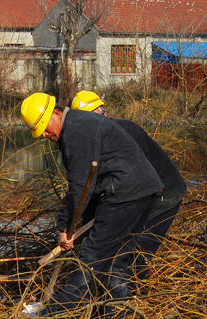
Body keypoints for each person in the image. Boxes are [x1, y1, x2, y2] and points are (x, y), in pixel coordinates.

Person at [19, 92, 163, 319]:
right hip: (141, 190)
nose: (46, 135)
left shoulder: (76, 131)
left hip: (125, 193)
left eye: (45, 128)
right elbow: (90, 185)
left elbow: (80, 185)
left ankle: (60, 314)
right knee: (116, 258)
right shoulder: (77, 124)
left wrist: (65, 228)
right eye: (40, 133)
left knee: (92, 256)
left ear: (56, 113)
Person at [71, 90, 185, 282]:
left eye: (94, 118)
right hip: (141, 193)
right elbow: (95, 187)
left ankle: (135, 298)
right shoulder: (94, 143)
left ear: (103, 112)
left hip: (163, 195)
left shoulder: (126, 132)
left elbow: (133, 183)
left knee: (135, 253)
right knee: (115, 248)